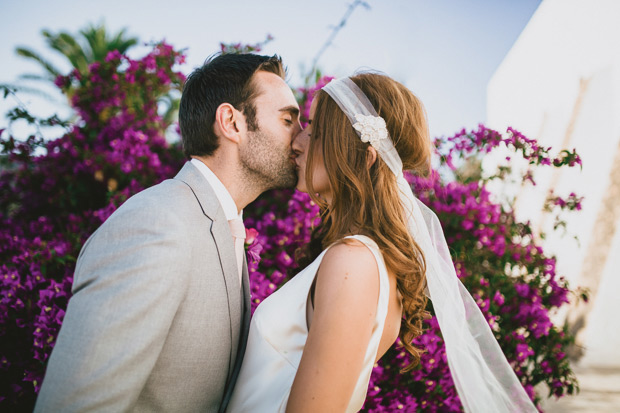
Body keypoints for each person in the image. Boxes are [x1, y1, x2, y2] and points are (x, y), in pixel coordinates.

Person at [227, 74, 537, 412]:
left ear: (366, 157)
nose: (297, 142)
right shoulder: (361, 258)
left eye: (315, 131)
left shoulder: (354, 262)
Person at [34, 53, 302, 413]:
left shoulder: (220, 224)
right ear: (231, 123)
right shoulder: (156, 224)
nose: (302, 139)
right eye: (288, 120)